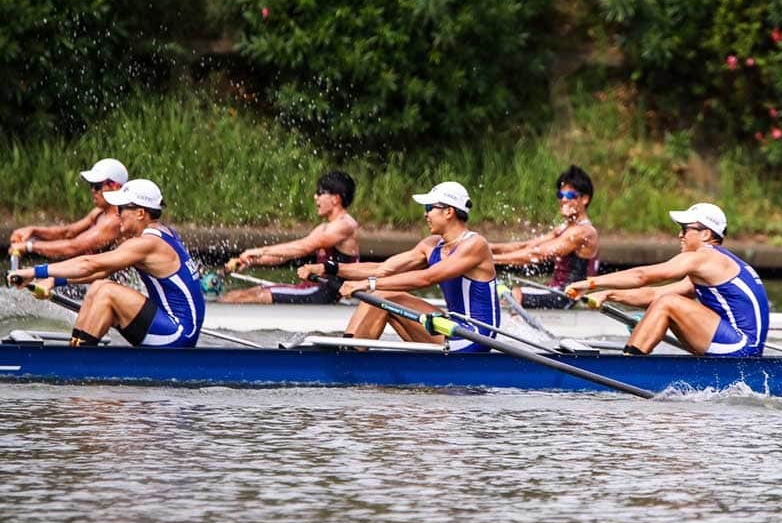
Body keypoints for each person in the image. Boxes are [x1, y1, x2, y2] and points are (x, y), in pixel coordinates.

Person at [299, 181, 500, 352]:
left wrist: (368, 284)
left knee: (381, 294)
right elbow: (383, 269)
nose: (425, 214)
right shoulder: (431, 245)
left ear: (449, 212)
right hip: (450, 327)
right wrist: (329, 268)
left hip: (475, 337)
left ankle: (348, 359)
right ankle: (349, 349)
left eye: (430, 208)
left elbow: (426, 278)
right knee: (379, 296)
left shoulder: (475, 245)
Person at [8, 179, 205, 348]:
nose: (117, 214)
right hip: (172, 327)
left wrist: (35, 272)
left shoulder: (147, 244)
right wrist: (54, 280)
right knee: (100, 286)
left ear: (140, 213)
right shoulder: (161, 233)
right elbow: (100, 272)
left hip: (177, 335)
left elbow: (89, 264)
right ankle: (76, 350)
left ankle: (77, 362)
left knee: (106, 292)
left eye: (121, 208)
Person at [565, 203, 769, 357]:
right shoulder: (712, 268)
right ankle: (632, 360)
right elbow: (654, 294)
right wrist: (609, 294)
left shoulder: (705, 257)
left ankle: (628, 365)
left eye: (685, 229)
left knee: (668, 304)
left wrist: (590, 282)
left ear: (706, 234)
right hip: (743, 348)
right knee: (665, 301)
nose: (680, 235)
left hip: (741, 348)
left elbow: (642, 276)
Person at [219, 171, 360, 304]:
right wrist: (250, 261)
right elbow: (285, 256)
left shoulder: (345, 225)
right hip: (314, 289)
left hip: (326, 293)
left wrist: (260, 251)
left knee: (247, 298)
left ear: (335, 199)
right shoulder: (324, 228)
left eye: (320, 193)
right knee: (236, 295)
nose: (315, 197)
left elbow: (303, 248)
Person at [491, 165, 600, 308]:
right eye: (561, 195)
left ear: (584, 199)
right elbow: (527, 246)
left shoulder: (584, 232)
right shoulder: (564, 228)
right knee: (507, 293)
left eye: (570, 196)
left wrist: (491, 259)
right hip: (555, 292)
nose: (564, 200)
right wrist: (487, 247)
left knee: (515, 293)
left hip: (568, 298)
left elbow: (537, 254)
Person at [8, 158, 128, 260]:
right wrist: (33, 230)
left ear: (116, 186)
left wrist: (30, 246)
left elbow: (73, 248)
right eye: (91, 186)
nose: (92, 191)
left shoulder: (115, 221)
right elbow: (68, 232)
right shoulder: (99, 212)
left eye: (97, 186)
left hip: (111, 283)